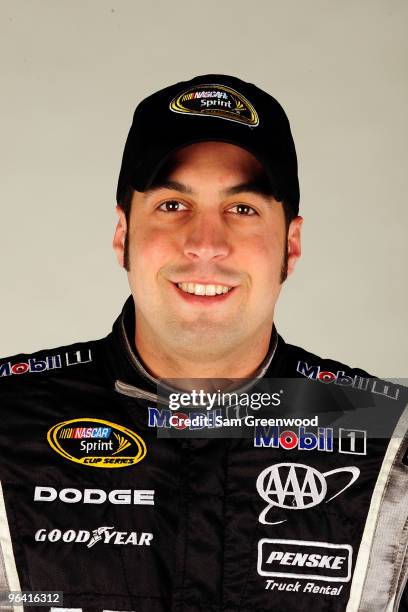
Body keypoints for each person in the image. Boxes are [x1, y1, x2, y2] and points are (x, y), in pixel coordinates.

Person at [0, 74, 407, 612]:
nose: (206, 244)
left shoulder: (390, 435)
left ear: (291, 243)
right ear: (123, 234)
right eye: (172, 205)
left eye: (243, 209)